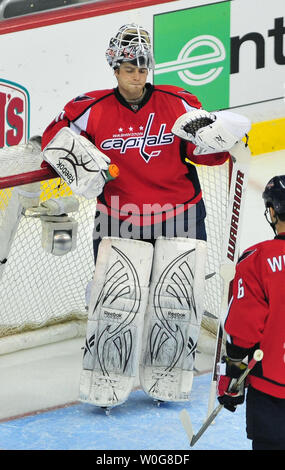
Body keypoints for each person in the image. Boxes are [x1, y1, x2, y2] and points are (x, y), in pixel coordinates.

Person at [40, 23, 250, 262]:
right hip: (118, 220)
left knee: (177, 299)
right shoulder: (90, 109)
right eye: (130, 70)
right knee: (115, 299)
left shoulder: (177, 102)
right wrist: (76, 161)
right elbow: (53, 139)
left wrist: (218, 142)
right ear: (115, 70)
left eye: (142, 70)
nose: (137, 77)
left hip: (181, 217)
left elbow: (204, 154)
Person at [217, 175, 285, 450]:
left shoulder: (256, 260)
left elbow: (243, 330)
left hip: (272, 390)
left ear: (272, 211)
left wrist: (231, 377)